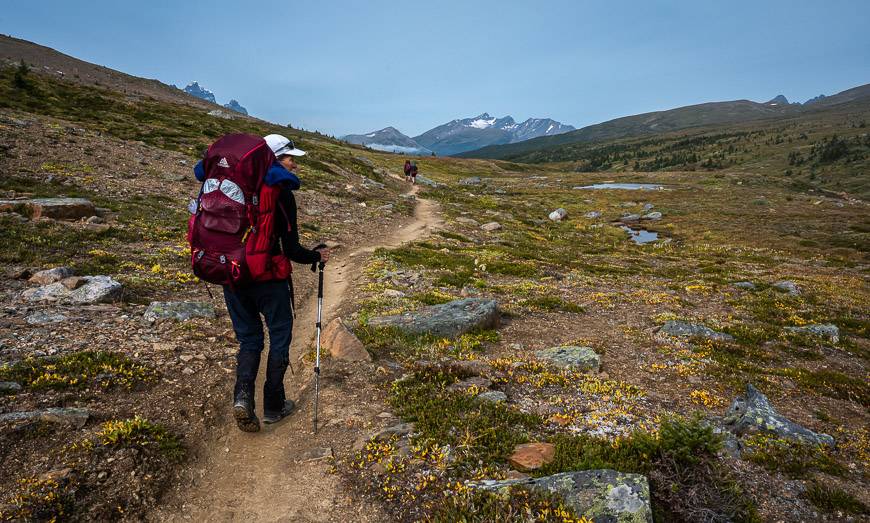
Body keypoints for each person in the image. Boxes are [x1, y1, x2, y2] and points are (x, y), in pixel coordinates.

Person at [194, 134, 330, 432]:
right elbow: (291, 248)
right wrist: (316, 256)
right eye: (288, 157)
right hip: (268, 277)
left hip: (232, 273)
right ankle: (273, 403)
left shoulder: (230, 184)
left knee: (249, 340)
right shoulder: (280, 192)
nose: (293, 163)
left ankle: (242, 397)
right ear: (273, 158)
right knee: (279, 335)